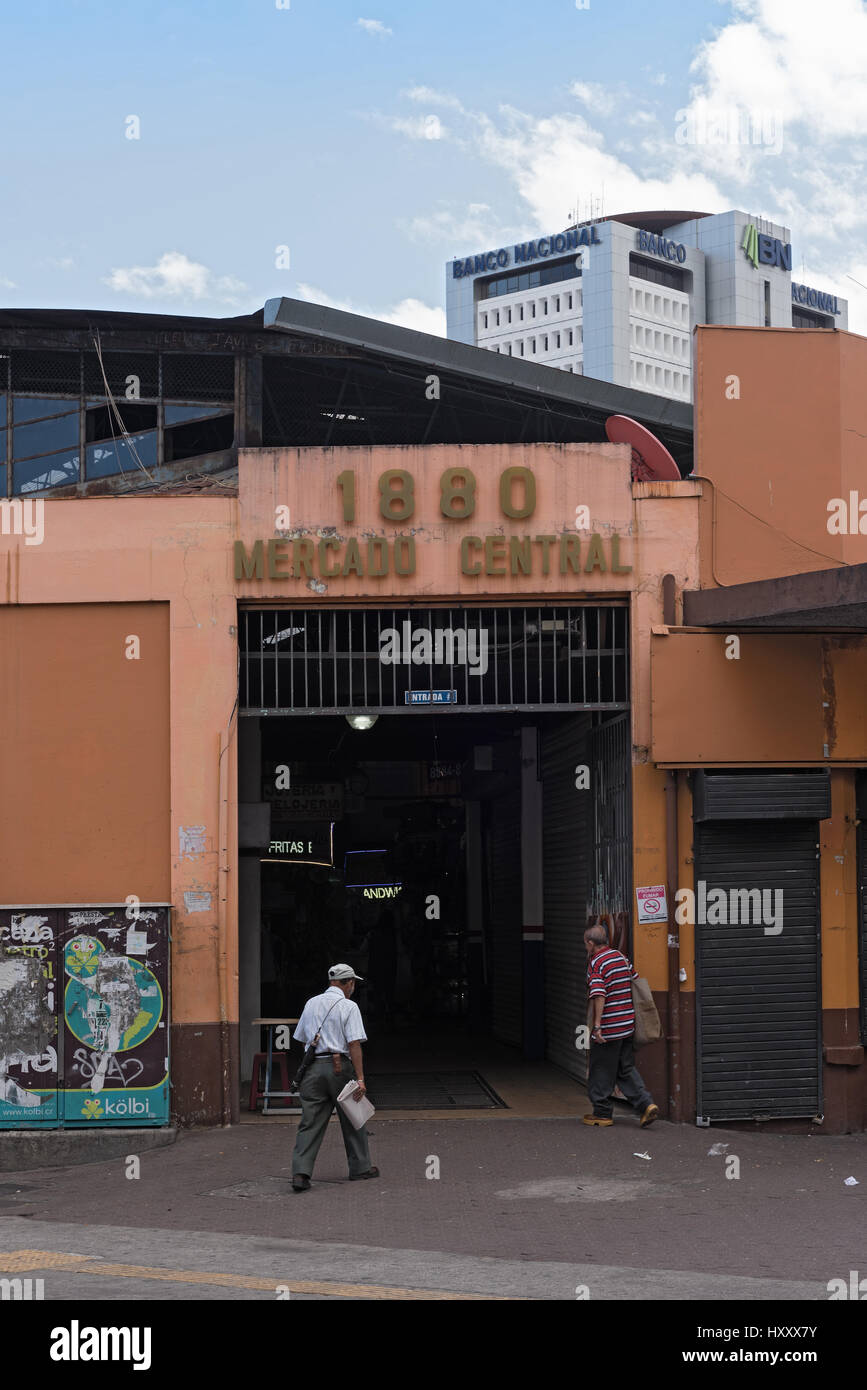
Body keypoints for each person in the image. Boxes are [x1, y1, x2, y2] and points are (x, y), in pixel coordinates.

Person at [290, 964, 379, 1191]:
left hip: (312, 1069)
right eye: (353, 983)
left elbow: (302, 1038)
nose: (353, 987)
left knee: (310, 1121)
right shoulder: (349, 1006)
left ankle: (300, 1172)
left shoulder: (311, 1003)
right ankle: (360, 1168)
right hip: (340, 1068)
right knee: (353, 1116)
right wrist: (360, 1078)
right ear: (348, 983)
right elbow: (354, 1043)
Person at [582, 923, 659, 1129]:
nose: (586, 948)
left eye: (586, 944)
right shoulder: (620, 957)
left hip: (609, 1028)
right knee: (625, 1069)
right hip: (627, 1025)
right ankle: (646, 1104)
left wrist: (597, 1027)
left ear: (591, 943)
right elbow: (634, 980)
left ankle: (602, 1113)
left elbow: (599, 994)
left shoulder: (596, 962)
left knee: (600, 1070)